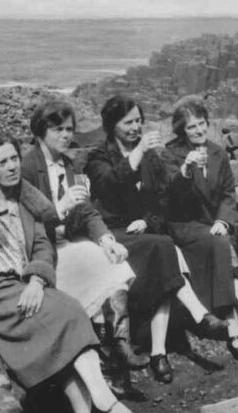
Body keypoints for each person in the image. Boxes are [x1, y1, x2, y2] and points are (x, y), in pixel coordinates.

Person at [0, 132, 148, 413]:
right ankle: (104, 400)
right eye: (2, 162)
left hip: (25, 282)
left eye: (15, 158)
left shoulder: (25, 197)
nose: (13, 166)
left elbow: (43, 246)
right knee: (67, 314)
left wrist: (37, 280)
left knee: (64, 325)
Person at [85, 94, 229, 383]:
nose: (136, 127)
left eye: (139, 121)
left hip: (142, 231)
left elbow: (164, 198)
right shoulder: (99, 156)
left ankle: (160, 352)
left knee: (162, 244)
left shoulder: (151, 156)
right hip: (112, 233)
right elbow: (108, 185)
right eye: (128, 123)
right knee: (163, 246)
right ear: (112, 125)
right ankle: (195, 319)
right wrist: (137, 152)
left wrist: (147, 218)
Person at [20, 99, 147, 372]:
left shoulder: (68, 163)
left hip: (71, 240)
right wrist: (59, 207)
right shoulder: (28, 167)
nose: (66, 135)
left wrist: (105, 238)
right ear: (41, 131)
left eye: (69, 129)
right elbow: (24, 222)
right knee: (88, 275)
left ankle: (120, 342)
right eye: (58, 130)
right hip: (44, 247)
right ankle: (105, 353)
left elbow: (87, 211)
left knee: (113, 263)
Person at [159, 100, 238, 362]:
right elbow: (169, 196)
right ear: (182, 131)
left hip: (212, 223)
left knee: (222, 237)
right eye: (191, 127)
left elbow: (229, 195)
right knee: (221, 243)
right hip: (184, 225)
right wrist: (185, 170)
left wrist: (223, 220)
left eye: (202, 124)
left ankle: (235, 326)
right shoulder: (171, 154)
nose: (198, 130)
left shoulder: (218, 152)